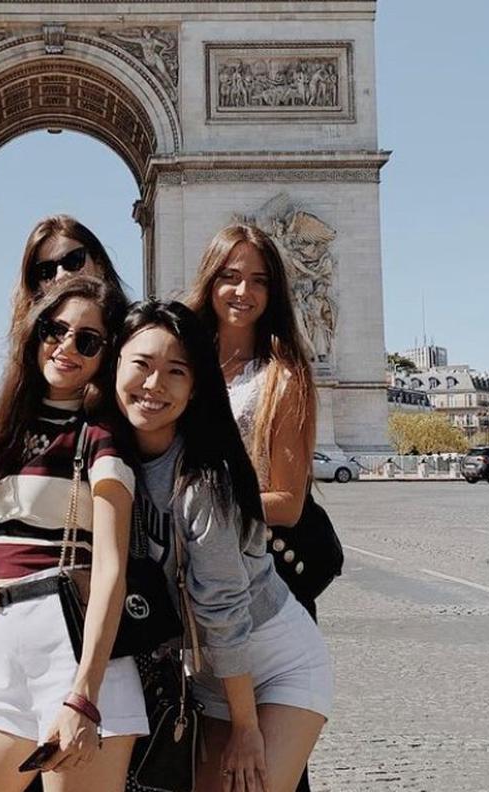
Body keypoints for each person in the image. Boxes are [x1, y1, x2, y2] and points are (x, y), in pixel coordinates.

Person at [0, 275, 144, 792]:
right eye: (55, 329)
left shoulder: (102, 438)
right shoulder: (8, 428)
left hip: (76, 671)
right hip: (6, 667)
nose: (67, 346)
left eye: (88, 340)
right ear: (34, 330)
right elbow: (0, 545)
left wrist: (84, 694)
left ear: (105, 354)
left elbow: (111, 569)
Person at [113, 299, 333, 792]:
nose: (153, 385)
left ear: (195, 390)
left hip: (281, 668)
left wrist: (247, 726)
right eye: (142, 365)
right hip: (209, 680)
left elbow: (223, 609)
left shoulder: (204, 483)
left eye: (175, 372)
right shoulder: (111, 457)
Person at [184, 224, 318, 612]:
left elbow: (289, 504)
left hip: (258, 581)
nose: (243, 292)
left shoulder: (284, 377)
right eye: (230, 277)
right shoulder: (177, 366)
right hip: (183, 569)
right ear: (210, 280)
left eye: (259, 281)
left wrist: (199, 511)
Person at [8, 215, 128, 330]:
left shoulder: (135, 337)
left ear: (99, 265)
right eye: (46, 271)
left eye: (73, 261)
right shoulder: (32, 348)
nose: (61, 275)